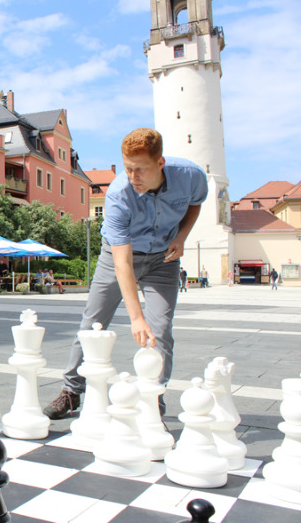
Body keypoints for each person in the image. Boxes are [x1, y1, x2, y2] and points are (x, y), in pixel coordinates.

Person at [43, 128, 207, 420]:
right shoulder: (119, 193)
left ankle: (153, 399)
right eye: (129, 169)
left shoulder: (191, 176)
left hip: (163, 260)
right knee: (92, 323)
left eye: (141, 169)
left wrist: (181, 236)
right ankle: (70, 392)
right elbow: (123, 264)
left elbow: (196, 203)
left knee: (161, 332)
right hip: (117, 257)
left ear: (160, 164)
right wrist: (135, 317)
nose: (134, 177)